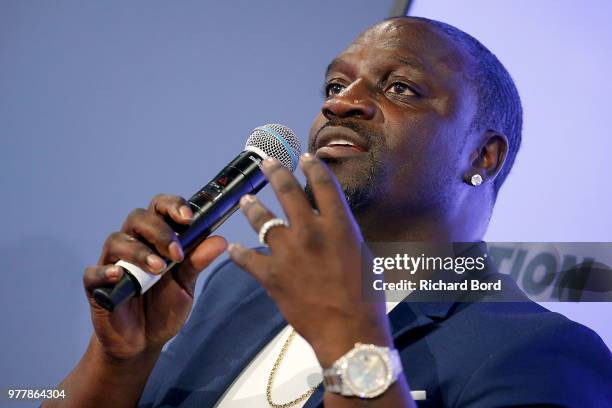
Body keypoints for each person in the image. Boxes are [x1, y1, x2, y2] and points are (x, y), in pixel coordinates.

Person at [44, 16, 612, 408]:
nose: (338, 102)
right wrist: (120, 360)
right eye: (336, 83)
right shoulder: (242, 287)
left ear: (482, 155)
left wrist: (350, 340)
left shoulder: (541, 353)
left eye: (401, 88)